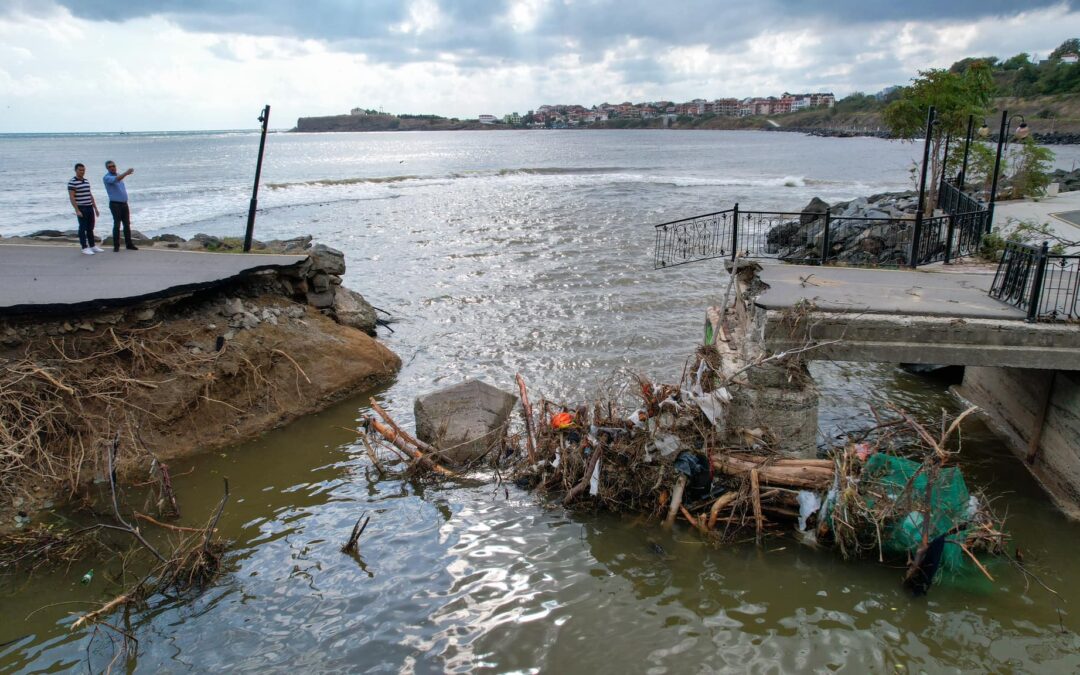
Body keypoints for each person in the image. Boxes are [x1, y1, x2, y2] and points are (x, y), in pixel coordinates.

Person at [103, 160, 137, 251]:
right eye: (110, 167)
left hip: (124, 204)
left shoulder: (118, 175)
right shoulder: (107, 177)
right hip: (115, 204)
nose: (112, 168)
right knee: (117, 224)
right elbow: (115, 180)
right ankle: (116, 246)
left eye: (113, 166)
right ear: (107, 168)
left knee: (127, 224)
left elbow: (119, 180)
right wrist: (126, 173)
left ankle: (129, 244)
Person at [67, 163, 102, 255]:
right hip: (81, 207)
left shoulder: (86, 181)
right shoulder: (72, 182)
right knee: (82, 228)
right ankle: (84, 247)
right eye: (80, 170)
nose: (82, 172)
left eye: (83, 170)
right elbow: (72, 197)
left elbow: (90, 195)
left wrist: (95, 208)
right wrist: (77, 210)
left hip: (89, 206)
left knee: (90, 227)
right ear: (76, 170)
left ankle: (92, 245)